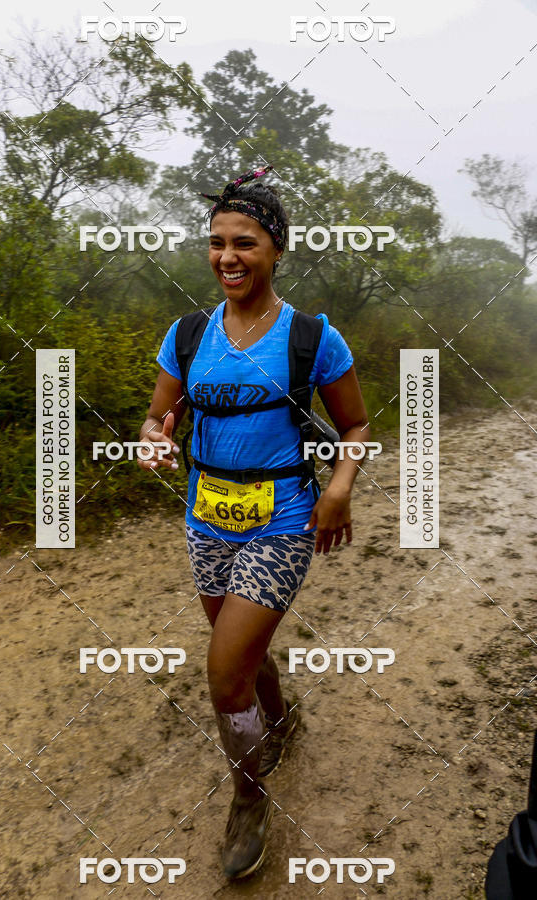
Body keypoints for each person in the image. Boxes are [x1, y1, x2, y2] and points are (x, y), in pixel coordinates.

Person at [138, 165, 370, 880]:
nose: (227, 257)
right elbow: (156, 414)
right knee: (237, 652)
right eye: (215, 243)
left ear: (276, 249)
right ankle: (280, 720)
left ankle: (248, 798)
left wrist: (338, 490)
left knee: (222, 674)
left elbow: (355, 426)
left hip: (284, 519)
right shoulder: (186, 333)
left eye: (244, 242)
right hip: (207, 517)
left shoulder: (311, 336)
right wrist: (153, 435)